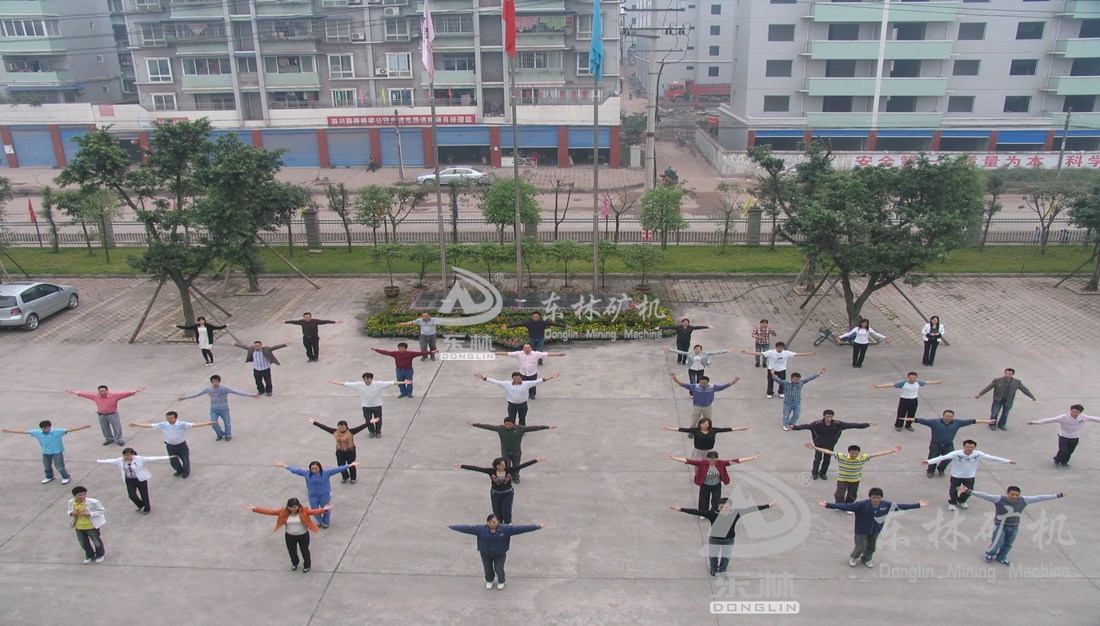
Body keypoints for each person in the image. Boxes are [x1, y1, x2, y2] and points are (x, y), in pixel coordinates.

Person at [818, 488, 928, 568]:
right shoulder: (861, 505)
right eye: (874, 498)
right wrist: (828, 505)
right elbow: (846, 506)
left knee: (871, 546)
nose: (876, 500)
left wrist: (917, 505)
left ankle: (867, 559)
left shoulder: (885, 505)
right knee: (860, 546)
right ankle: (854, 557)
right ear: (870, 497)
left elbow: (900, 506)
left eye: (878, 498)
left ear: (881, 498)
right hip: (861, 530)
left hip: (875, 530)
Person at [959, 484, 1065, 565]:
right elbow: (985, 496)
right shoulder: (999, 499)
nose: (1014, 497)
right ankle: (989, 554)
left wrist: (1057, 495)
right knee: (997, 542)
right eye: (1012, 494)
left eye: (1017, 495)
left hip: (1014, 526)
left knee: (1009, 543)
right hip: (1000, 525)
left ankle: (1001, 557)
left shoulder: (1024, 500)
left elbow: (1039, 497)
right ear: (1007, 493)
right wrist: (969, 491)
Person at [670, 497, 775, 577]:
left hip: (729, 540)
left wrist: (768, 505)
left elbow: (751, 509)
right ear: (718, 507)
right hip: (714, 540)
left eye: (726, 507)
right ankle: (713, 568)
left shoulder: (736, 513)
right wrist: (681, 509)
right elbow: (697, 512)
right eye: (721, 507)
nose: (724, 509)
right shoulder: (713, 513)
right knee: (713, 555)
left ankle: (723, 569)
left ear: (730, 507)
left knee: (726, 556)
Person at [449, 514, 544, 590]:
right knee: (487, 568)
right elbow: (466, 528)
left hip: (500, 553)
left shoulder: (505, 529)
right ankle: (489, 580)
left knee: (499, 568)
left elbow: (522, 528)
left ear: (498, 521)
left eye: (494, 522)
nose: (492, 524)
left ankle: (501, 581)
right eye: (490, 522)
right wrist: (452, 527)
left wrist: (537, 526)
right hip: (485, 553)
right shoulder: (480, 529)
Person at [922, 440, 1015, 511]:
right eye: (967, 447)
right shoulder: (956, 454)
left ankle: (961, 500)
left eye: (971, 447)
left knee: (969, 491)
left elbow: (991, 458)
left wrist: (1008, 461)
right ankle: (953, 502)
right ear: (964, 446)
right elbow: (943, 457)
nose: (969, 448)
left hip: (969, 476)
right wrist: (929, 461)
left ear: (974, 447)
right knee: (953, 490)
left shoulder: (978, 454)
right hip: (956, 476)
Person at [244, 499, 332, 573]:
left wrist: (323, 510)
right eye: (291, 507)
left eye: (295, 507)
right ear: (288, 507)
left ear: (298, 506)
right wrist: (255, 508)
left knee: (304, 550)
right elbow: (270, 512)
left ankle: (307, 565)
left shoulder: (304, 510)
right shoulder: (283, 512)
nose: (293, 509)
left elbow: (314, 511)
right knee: (291, 551)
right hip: (290, 536)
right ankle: (295, 563)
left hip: (303, 535)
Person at [806, 443, 901, 509]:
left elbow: (877, 454)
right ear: (849, 452)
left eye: (856, 453)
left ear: (859, 453)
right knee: (839, 494)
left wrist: (892, 451)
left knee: (852, 494)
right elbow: (828, 452)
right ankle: (839, 505)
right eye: (852, 453)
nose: (854, 455)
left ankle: (849, 506)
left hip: (855, 480)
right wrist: (815, 447)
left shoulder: (862, 458)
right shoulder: (842, 456)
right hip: (842, 479)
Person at [902, 409, 994, 478]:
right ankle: (930, 471)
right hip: (935, 445)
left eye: (950, 416)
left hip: (948, 445)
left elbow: (972, 421)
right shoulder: (935, 422)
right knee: (933, 458)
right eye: (946, 416)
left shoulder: (957, 423)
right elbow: (921, 420)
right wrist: (910, 419)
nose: (948, 418)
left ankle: (941, 468)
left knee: (949, 458)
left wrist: (986, 421)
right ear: (943, 416)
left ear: (953, 417)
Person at [790, 410, 876, 481]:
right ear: (824, 416)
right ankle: (814, 473)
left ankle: (823, 473)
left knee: (827, 460)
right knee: (817, 459)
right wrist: (794, 427)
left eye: (831, 417)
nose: (829, 419)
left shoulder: (838, 424)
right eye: (827, 417)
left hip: (830, 445)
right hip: (819, 445)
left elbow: (852, 425)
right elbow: (806, 426)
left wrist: (867, 424)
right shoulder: (817, 424)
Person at [129, 411, 217, 478]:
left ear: (176, 418)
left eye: (171, 418)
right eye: (168, 418)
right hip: (170, 446)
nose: (169, 420)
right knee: (173, 460)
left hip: (181, 445)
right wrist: (136, 425)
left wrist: (210, 423)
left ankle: (186, 471)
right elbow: (150, 425)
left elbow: (196, 424)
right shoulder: (163, 425)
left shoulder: (182, 424)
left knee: (185, 459)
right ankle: (179, 470)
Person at [456, 457, 544, 524]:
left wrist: (535, 460)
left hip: (508, 493)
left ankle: (508, 524)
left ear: (505, 465)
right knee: (496, 510)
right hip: (495, 494)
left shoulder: (509, 470)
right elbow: (477, 468)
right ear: (495, 465)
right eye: (498, 465)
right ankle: (499, 523)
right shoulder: (491, 471)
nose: (500, 467)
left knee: (506, 509)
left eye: (502, 465)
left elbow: (523, 465)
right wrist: (462, 466)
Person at [664, 451, 760, 512]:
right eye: (710, 460)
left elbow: (736, 460)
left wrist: (751, 458)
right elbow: (688, 461)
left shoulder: (721, 463)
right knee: (703, 500)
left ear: (717, 459)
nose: (712, 461)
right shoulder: (703, 463)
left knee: (716, 500)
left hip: (716, 485)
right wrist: (673, 458)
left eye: (714, 460)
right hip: (705, 485)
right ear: (707, 459)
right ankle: (703, 512)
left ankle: (714, 511)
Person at [468, 417, 555, 483]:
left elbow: (534, 428)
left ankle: (516, 477)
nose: (507, 426)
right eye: (506, 424)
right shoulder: (500, 429)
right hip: (505, 451)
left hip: (516, 451)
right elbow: (487, 426)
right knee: (506, 466)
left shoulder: (520, 429)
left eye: (509, 424)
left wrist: (547, 427)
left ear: (513, 424)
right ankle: (508, 477)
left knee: (516, 465)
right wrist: (475, 424)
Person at [275, 460, 358, 529]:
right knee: (314, 510)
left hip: (324, 495)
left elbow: (337, 469)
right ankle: (320, 521)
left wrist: (349, 465)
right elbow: (296, 470)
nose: (314, 470)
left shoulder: (326, 472)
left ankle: (326, 522)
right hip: (312, 495)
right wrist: (285, 466)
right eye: (312, 469)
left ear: (320, 468)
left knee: (325, 509)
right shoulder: (307, 473)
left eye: (316, 469)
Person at [3, 420, 90, 484]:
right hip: (45, 452)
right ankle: (49, 476)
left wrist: (83, 427)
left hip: (57, 452)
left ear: (50, 427)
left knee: (59, 466)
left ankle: (66, 477)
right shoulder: (37, 432)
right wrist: (9, 431)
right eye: (44, 428)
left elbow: (69, 430)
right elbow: (24, 432)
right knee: (47, 466)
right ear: (41, 428)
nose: (46, 429)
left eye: (47, 428)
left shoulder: (57, 431)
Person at [178, 374, 258, 442]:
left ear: (219, 382)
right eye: (213, 381)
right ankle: (220, 434)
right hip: (214, 409)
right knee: (213, 423)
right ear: (211, 382)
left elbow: (237, 392)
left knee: (227, 423)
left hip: (224, 409)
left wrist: (251, 395)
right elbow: (197, 394)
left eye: (216, 381)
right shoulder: (208, 389)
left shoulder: (224, 389)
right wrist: (184, 397)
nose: (215, 383)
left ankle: (228, 435)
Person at [329, 373, 411, 439]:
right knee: (368, 420)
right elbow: (347, 384)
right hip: (366, 406)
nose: (366, 380)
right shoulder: (359, 384)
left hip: (377, 405)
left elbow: (392, 383)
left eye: (367, 379)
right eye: (364, 379)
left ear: (371, 379)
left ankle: (378, 432)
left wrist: (404, 382)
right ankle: (371, 431)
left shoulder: (378, 384)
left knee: (378, 420)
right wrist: (336, 382)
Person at [96, 448, 174, 515]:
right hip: (129, 480)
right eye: (125, 455)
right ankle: (141, 505)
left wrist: (168, 457)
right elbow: (110, 461)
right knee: (132, 495)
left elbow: (152, 458)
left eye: (128, 455)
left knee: (144, 494)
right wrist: (99, 461)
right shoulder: (120, 460)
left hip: (140, 479)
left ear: (132, 454)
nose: (126, 457)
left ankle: (147, 508)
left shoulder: (139, 459)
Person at [65, 385, 146, 447]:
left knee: (117, 427)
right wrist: (73, 392)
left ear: (107, 391)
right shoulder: (95, 396)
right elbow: (84, 394)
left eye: (103, 391)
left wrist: (136, 391)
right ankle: (109, 439)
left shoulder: (114, 396)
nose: (102, 393)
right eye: (100, 391)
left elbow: (125, 394)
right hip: (101, 415)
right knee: (104, 427)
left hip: (113, 414)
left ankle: (119, 440)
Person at [474, 371, 560, 426]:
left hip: (523, 404)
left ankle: (522, 430)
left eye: (518, 378)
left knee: (522, 418)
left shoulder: (526, 384)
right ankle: (512, 429)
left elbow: (539, 381)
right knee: (511, 419)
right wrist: (484, 378)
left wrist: (551, 377)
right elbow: (495, 382)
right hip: (512, 405)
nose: (516, 380)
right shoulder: (506, 384)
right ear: (512, 378)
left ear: (521, 378)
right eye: (514, 378)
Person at [1027, 404, 1100, 468]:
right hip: (1064, 436)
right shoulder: (1063, 417)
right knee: (1063, 450)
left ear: (1080, 413)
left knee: (1070, 451)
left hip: (1075, 437)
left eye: (1076, 412)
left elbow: (1095, 419)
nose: (1074, 413)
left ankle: (1064, 462)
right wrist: (1036, 422)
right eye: (1072, 411)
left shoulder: (1083, 417)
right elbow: (1050, 420)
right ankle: (1057, 460)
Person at [307, 417, 372, 484]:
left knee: (352, 465)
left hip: (350, 452)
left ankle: (353, 478)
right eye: (339, 427)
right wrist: (315, 422)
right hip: (340, 452)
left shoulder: (351, 431)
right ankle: (345, 476)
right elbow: (325, 427)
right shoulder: (335, 431)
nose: (341, 429)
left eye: (343, 427)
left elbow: (360, 427)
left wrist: (370, 422)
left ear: (346, 427)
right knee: (341, 466)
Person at [741, 342, 816, 399]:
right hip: (772, 370)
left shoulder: (786, 353)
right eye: (778, 347)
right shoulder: (771, 352)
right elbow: (760, 353)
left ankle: (781, 392)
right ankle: (769, 393)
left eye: (781, 348)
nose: (780, 349)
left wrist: (809, 353)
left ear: (783, 348)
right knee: (770, 381)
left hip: (782, 370)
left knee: (782, 382)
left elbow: (797, 354)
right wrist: (747, 352)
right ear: (776, 347)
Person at [871, 372, 943, 432]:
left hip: (914, 400)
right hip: (904, 400)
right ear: (908, 377)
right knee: (901, 413)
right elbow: (891, 385)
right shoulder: (902, 383)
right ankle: (898, 425)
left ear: (916, 378)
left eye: (914, 378)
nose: (912, 379)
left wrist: (937, 382)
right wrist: (879, 386)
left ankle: (908, 425)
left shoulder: (918, 383)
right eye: (911, 378)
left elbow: (928, 382)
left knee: (912, 414)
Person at [495, 344, 566, 398]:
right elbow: (508, 354)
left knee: (533, 385)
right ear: (523, 349)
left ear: (531, 348)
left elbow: (547, 354)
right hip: (522, 374)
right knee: (522, 385)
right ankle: (523, 394)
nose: (527, 349)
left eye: (528, 348)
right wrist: (498, 353)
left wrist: (558, 354)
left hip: (532, 373)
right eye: (525, 348)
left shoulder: (536, 354)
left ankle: (532, 395)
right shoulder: (519, 354)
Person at [670, 373, 740, 428]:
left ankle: (708, 431)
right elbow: (683, 385)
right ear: (699, 382)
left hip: (707, 406)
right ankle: (692, 430)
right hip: (697, 406)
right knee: (694, 420)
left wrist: (733, 381)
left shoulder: (712, 387)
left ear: (708, 382)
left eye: (705, 383)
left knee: (708, 420)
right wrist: (675, 379)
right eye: (701, 382)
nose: (703, 384)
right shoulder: (695, 387)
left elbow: (723, 387)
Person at [660, 417, 748, 459]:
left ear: (709, 424)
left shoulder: (714, 430)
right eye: (702, 424)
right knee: (697, 464)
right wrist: (669, 428)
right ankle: (697, 476)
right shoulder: (696, 430)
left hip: (709, 451)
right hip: (698, 451)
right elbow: (683, 429)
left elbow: (726, 429)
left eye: (706, 424)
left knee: (707, 464)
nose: (704, 425)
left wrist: (740, 429)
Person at [67, 486, 106, 564]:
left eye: (84, 494)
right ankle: (90, 555)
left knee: (96, 541)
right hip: (79, 527)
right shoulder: (71, 502)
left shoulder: (93, 502)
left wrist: (90, 514)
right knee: (83, 543)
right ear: (75, 496)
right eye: (80, 495)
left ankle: (100, 554)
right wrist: (71, 513)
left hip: (91, 526)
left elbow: (102, 510)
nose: (82, 496)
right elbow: (69, 510)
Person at [664, 345, 732, 390]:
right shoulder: (690, 354)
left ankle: (698, 391)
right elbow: (680, 352)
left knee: (699, 382)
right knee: (692, 382)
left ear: (701, 350)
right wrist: (670, 349)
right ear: (694, 350)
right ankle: (691, 393)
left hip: (700, 370)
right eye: (696, 349)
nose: (697, 350)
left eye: (699, 349)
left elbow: (715, 352)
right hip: (692, 369)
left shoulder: (704, 354)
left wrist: (725, 351)